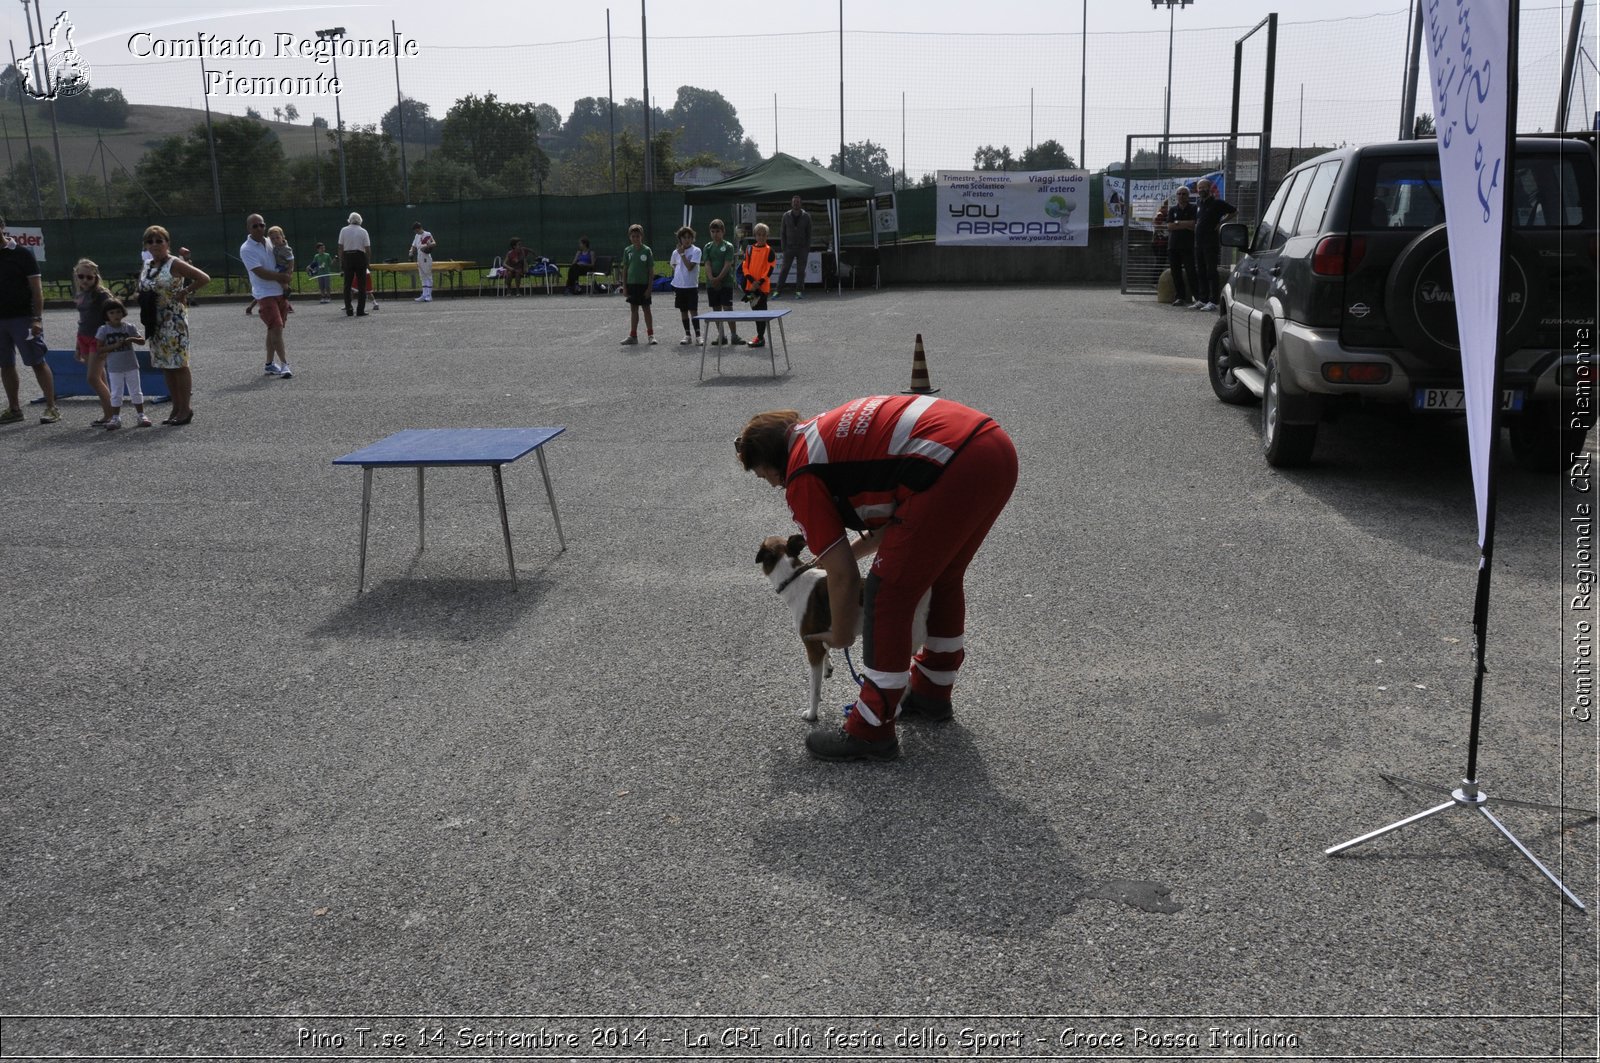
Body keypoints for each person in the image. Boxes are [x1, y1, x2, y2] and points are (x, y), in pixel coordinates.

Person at [737, 396, 1018, 761]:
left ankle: (871, 728)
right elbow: (895, 519)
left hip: (951, 464)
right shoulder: (818, 436)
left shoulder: (801, 473)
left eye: (765, 476)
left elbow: (844, 578)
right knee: (943, 576)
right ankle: (932, 690)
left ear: (772, 461)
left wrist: (838, 634)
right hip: (990, 447)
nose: (774, 485)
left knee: (887, 594)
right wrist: (837, 556)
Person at [138, 224, 209, 426]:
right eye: (150, 241)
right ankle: (176, 407)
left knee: (179, 364)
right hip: (156, 322)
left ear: (167, 243)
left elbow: (203, 278)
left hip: (174, 322)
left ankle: (185, 409)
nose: (155, 244)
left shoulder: (174, 263)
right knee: (166, 366)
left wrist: (185, 291)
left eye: (159, 240)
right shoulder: (147, 265)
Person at [0, 215, 60, 425]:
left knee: (36, 361)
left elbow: (37, 290)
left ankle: (52, 407)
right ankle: (14, 409)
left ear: (2, 227)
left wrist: (37, 319)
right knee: (5, 364)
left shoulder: (22, 254)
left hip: (24, 318)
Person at [241, 213, 293, 379]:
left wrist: (289, 273)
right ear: (248, 228)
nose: (259, 228)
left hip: (279, 291)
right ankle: (285, 364)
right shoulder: (246, 248)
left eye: (262, 225)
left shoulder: (272, 241)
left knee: (273, 329)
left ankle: (269, 364)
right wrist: (281, 277)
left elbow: (287, 257)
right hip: (264, 294)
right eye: (255, 226)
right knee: (276, 327)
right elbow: (260, 272)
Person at [72, 257, 115, 426]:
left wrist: (107, 339)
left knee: (92, 378)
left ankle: (113, 413)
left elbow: (113, 316)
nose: (85, 280)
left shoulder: (102, 294)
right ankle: (108, 414)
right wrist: (77, 345)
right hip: (84, 337)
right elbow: (82, 320)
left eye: (89, 277)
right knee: (100, 378)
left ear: (95, 277)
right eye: (81, 276)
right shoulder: (80, 293)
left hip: (98, 340)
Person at [95, 299, 148, 430]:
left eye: (118, 312)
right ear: (106, 315)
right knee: (116, 393)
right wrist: (114, 345)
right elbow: (99, 348)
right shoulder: (103, 330)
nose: (116, 315)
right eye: (112, 313)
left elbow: (142, 341)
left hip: (131, 365)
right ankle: (115, 417)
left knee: (136, 391)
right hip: (114, 367)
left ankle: (141, 415)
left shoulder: (129, 327)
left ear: (123, 313)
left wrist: (132, 339)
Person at [1192, 178, 1236, 311]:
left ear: (1210, 188)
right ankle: (1202, 299)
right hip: (1199, 242)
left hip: (1210, 242)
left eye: (1204, 187)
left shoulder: (1217, 203)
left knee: (1211, 271)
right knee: (1201, 271)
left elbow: (1234, 211)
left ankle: (1213, 301)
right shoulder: (1199, 203)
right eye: (1200, 188)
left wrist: (1221, 223)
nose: (1201, 190)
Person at [702, 219, 744, 347]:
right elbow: (707, 264)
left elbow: (728, 264)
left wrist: (719, 278)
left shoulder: (728, 246)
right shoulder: (707, 247)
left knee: (728, 308)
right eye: (713, 231)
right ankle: (721, 336)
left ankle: (734, 335)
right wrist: (711, 279)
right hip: (711, 284)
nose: (715, 234)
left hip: (725, 283)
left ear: (723, 232)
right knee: (716, 309)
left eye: (718, 231)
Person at [618, 223, 656, 346]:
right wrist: (625, 286)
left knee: (646, 309)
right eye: (633, 236)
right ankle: (633, 336)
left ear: (642, 236)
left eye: (637, 236)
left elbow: (651, 270)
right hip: (631, 284)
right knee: (634, 310)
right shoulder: (627, 250)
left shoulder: (647, 250)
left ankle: (651, 335)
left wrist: (649, 287)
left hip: (644, 285)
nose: (635, 238)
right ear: (630, 237)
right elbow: (625, 269)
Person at [740, 222, 775, 349]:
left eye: (763, 235)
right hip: (751, 287)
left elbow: (769, 269)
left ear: (767, 236)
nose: (761, 237)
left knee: (761, 312)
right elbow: (745, 266)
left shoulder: (769, 250)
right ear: (755, 235)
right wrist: (751, 280)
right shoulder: (749, 249)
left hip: (762, 288)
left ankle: (760, 338)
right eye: (758, 234)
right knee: (755, 311)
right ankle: (760, 337)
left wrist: (758, 282)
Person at [1165, 186, 1199, 307]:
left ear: (1188, 196)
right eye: (1179, 194)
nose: (1181, 196)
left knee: (1191, 272)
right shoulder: (1172, 209)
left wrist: (1178, 223)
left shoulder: (1194, 208)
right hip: (1173, 246)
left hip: (1188, 246)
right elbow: (1169, 226)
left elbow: (1194, 224)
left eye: (1184, 194)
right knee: (1176, 273)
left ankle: (1198, 297)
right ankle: (1180, 297)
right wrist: (1186, 224)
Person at [669, 225, 702, 345]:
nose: (687, 240)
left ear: (693, 238)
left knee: (693, 310)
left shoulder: (696, 251)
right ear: (680, 239)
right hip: (679, 286)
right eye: (684, 237)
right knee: (683, 311)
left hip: (691, 286)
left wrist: (682, 254)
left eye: (689, 237)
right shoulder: (675, 252)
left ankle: (698, 336)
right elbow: (674, 265)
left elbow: (689, 267)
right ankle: (687, 335)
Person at [775, 195, 812, 299]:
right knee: (784, 270)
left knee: (801, 271)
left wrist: (807, 248)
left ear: (801, 203)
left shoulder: (806, 216)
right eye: (794, 202)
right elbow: (782, 232)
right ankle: (778, 291)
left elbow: (809, 233)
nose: (796, 204)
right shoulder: (786, 216)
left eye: (798, 202)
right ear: (791, 204)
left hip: (802, 248)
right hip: (789, 248)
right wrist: (783, 247)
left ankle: (798, 292)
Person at [338, 211, 371, 317]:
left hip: (347, 256)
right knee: (362, 285)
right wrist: (367, 262)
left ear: (350, 220)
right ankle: (360, 310)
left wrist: (341, 260)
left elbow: (340, 247)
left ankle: (349, 309)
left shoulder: (344, 230)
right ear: (360, 220)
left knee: (347, 285)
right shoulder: (363, 231)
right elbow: (367, 249)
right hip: (360, 256)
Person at [410, 221, 436, 303]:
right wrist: (411, 251)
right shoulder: (416, 235)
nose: (416, 232)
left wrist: (428, 245)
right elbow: (414, 245)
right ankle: (424, 294)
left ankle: (429, 295)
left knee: (428, 275)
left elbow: (434, 243)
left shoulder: (427, 234)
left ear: (419, 228)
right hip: (419, 257)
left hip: (426, 257)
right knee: (422, 276)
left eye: (416, 230)